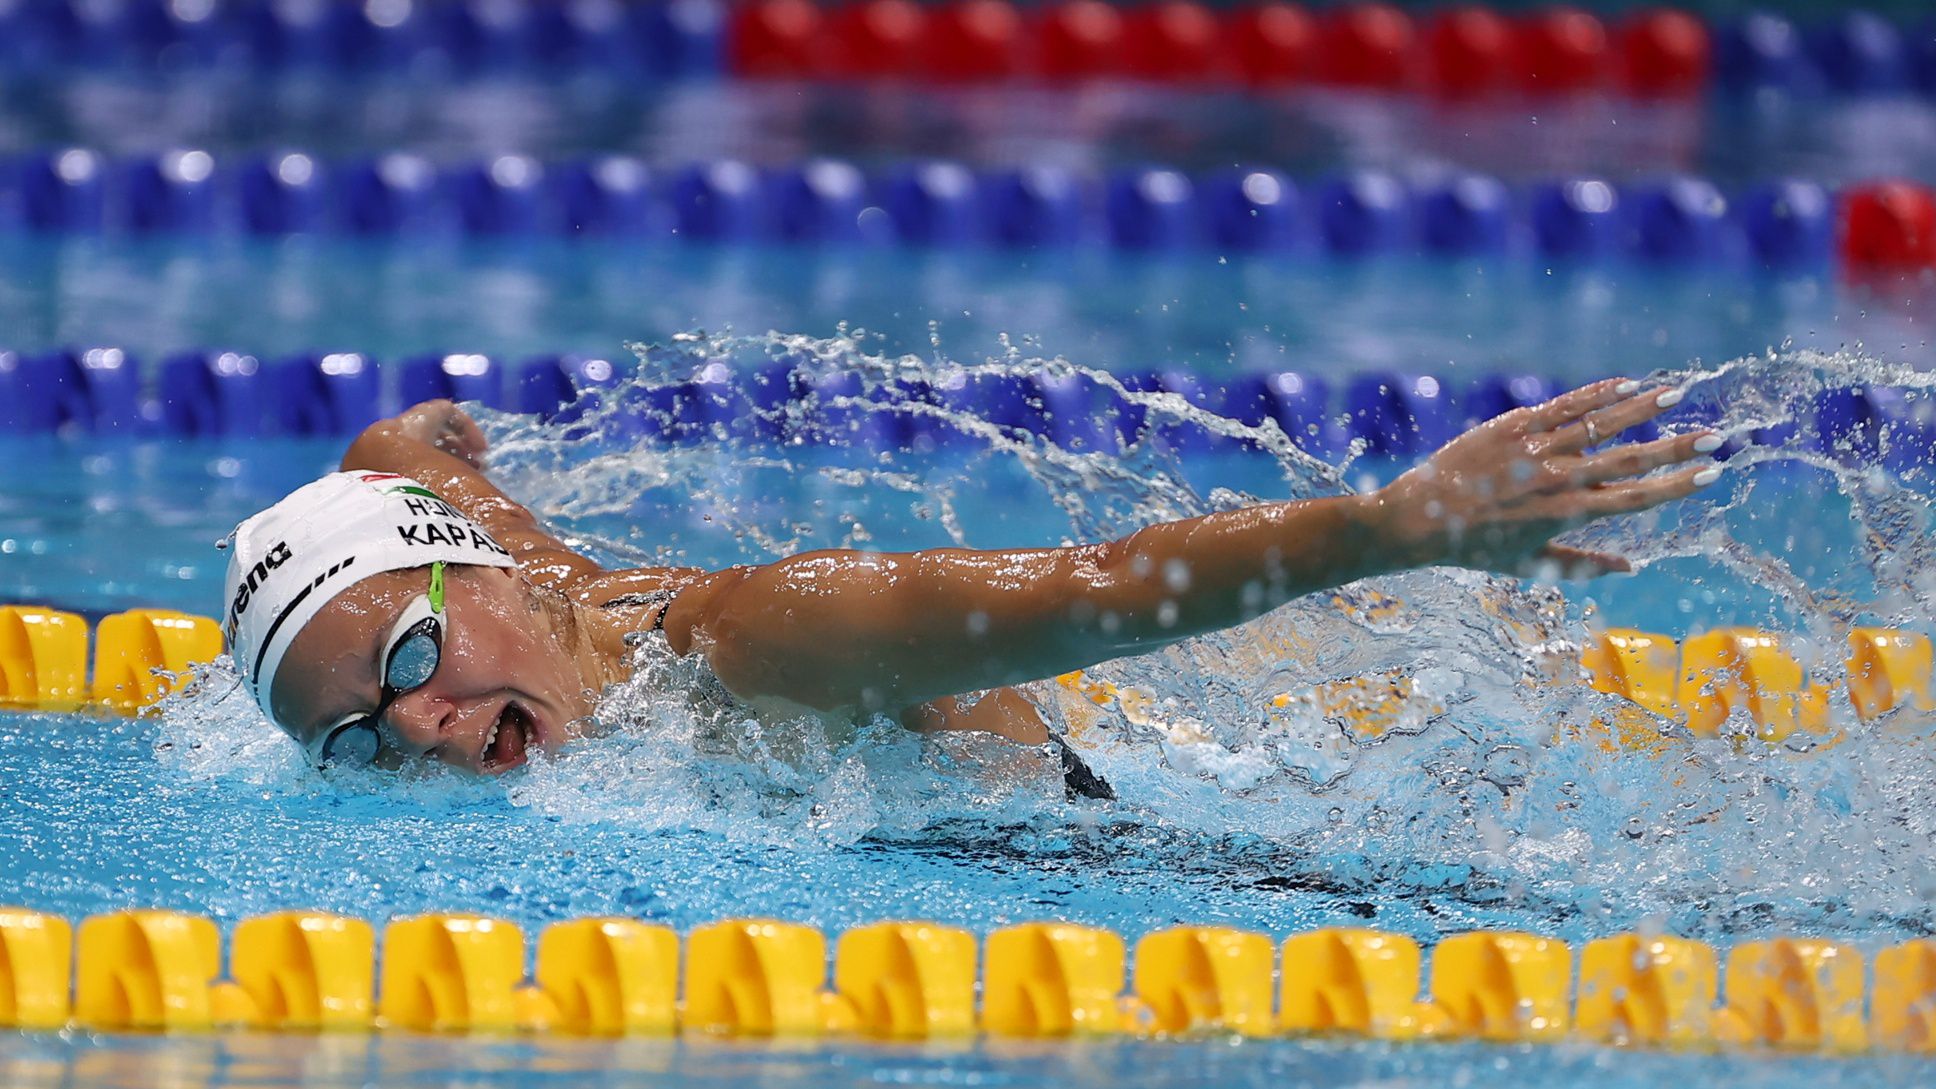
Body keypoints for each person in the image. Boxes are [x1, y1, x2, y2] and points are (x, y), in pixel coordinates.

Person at [220, 375, 1720, 798]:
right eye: (350, 735)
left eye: (408, 662)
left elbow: (1095, 583)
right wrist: (406, 441)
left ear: (462, 570)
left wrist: (1391, 525)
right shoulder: (521, 597)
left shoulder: (750, 643)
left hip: (1078, 850)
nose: (409, 728)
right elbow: (402, 472)